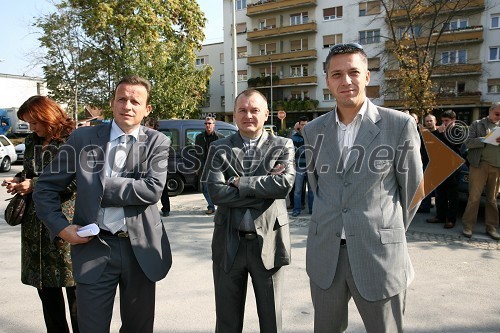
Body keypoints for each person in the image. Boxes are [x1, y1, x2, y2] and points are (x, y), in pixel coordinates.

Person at [33, 75, 172, 333]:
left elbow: (152, 190)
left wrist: (98, 185)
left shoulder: (157, 142)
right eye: (122, 99)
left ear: (147, 109)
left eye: (135, 101)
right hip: (94, 248)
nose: (127, 106)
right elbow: (45, 188)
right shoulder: (82, 139)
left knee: (138, 328)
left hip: (140, 249)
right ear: (112, 102)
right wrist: (61, 228)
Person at [302, 43, 423, 332]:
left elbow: (414, 192)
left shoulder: (399, 125)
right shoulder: (313, 130)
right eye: (337, 74)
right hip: (326, 257)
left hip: (378, 257)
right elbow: (316, 187)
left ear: (367, 76)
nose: (346, 81)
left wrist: (385, 232)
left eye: (354, 72)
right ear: (327, 81)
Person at [205, 89, 295, 333]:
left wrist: (239, 183)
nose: (248, 115)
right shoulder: (219, 148)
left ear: (266, 114)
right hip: (228, 244)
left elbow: (283, 185)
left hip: (269, 243)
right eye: (242, 110)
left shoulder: (282, 145)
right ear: (234, 114)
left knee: (271, 320)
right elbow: (215, 192)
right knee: (227, 321)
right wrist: (262, 189)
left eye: (255, 110)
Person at [2, 96, 79, 332]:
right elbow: (28, 170)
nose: (32, 128)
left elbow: (75, 181)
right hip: (35, 225)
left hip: (65, 221)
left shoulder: (73, 140)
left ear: (48, 116)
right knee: (47, 293)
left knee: (76, 294)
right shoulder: (31, 141)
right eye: (28, 123)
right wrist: (18, 181)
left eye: (35, 123)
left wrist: (34, 184)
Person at [461, 103, 500, 240]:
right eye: (497, 114)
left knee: (492, 199)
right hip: (479, 165)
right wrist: (486, 139)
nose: (498, 117)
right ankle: (468, 226)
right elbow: (468, 142)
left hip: (497, 166)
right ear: (490, 111)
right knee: (474, 197)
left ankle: (491, 227)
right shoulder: (477, 124)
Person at [426, 110, 463, 228]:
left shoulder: (458, 131)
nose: (444, 123)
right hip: (440, 166)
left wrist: (442, 134)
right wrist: (439, 133)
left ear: (453, 120)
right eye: (443, 121)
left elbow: (451, 147)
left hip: (452, 168)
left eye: (447, 121)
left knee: (452, 196)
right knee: (440, 194)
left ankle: (451, 219)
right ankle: (440, 216)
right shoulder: (440, 131)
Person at [195, 116, 223, 214]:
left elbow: (224, 153)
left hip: (216, 166)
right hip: (203, 165)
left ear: (214, 125)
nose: (207, 125)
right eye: (206, 123)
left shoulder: (220, 137)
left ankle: (220, 206)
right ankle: (211, 206)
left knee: (218, 186)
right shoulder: (199, 137)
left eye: (209, 123)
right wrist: (197, 167)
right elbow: (197, 153)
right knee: (204, 187)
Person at [145, 117, 170, 217]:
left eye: (146, 125)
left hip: (159, 166)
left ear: (152, 126)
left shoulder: (160, 137)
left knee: (162, 189)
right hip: (146, 166)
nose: (145, 127)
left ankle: (166, 209)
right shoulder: (144, 137)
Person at [292, 115, 313, 217]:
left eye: (306, 124)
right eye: (302, 124)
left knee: (311, 190)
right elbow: (292, 152)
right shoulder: (294, 137)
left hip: (311, 167)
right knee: (297, 190)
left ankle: (312, 210)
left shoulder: (312, 135)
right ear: (299, 125)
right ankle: (296, 210)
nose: (304, 126)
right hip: (299, 166)